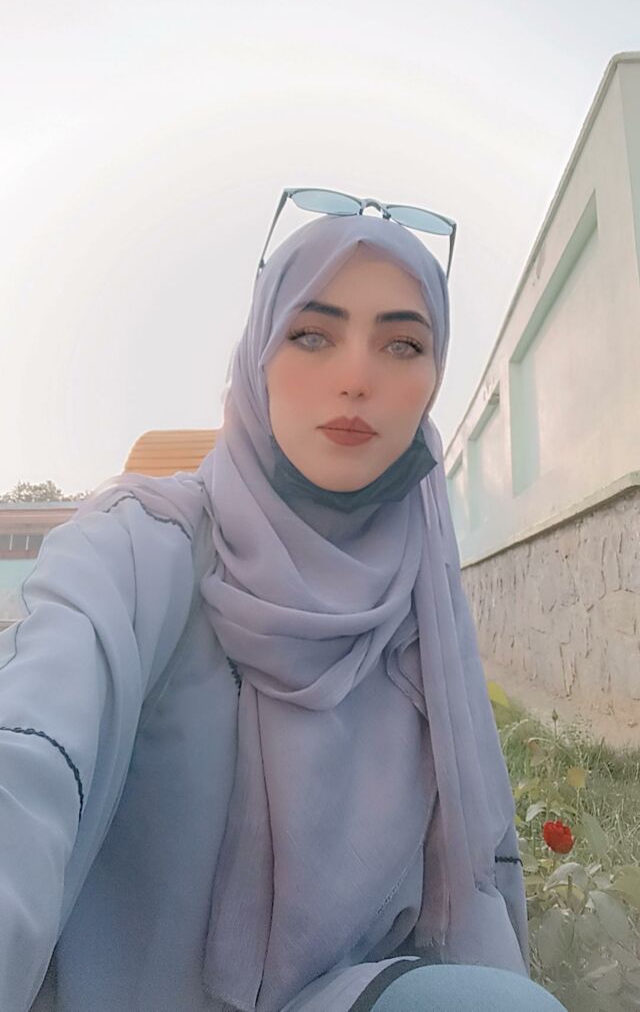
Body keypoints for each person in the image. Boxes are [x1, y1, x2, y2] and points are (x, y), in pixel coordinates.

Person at [0, 207, 567, 1012]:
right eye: (311, 334)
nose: (356, 377)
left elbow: (475, 865)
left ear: (433, 383)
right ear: (258, 356)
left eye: (402, 344)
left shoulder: (423, 592)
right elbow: (31, 750)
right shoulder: (140, 546)